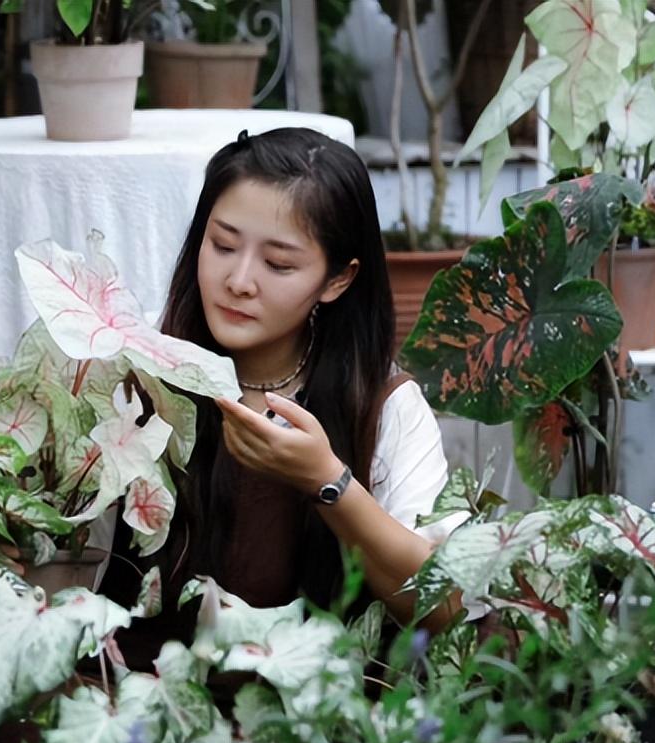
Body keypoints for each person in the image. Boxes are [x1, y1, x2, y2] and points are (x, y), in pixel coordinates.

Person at [98, 127, 463, 672]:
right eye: (222, 245)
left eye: (279, 264)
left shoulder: (385, 406)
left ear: (338, 279)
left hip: (316, 726)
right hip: (141, 713)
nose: (238, 280)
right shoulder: (138, 375)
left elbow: (442, 604)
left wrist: (328, 482)